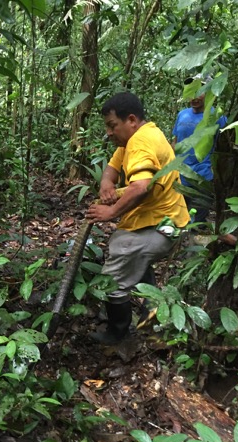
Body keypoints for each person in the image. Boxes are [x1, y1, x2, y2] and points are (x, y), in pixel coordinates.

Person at [85, 92, 190, 345]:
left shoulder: (141, 142)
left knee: (114, 273)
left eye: (112, 126)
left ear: (131, 119)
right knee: (125, 247)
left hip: (160, 226)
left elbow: (140, 186)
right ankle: (150, 309)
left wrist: (110, 212)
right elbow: (112, 167)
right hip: (160, 220)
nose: (109, 133)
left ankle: (118, 333)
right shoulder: (134, 138)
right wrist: (106, 183)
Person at [172, 75, 227, 224]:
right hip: (180, 177)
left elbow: (225, 148)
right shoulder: (182, 115)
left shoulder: (217, 117)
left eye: (199, 92)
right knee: (177, 221)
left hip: (203, 178)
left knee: (196, 222)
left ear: (208, 92)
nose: (194, 97)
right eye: (191, 92)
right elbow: (175, 142)